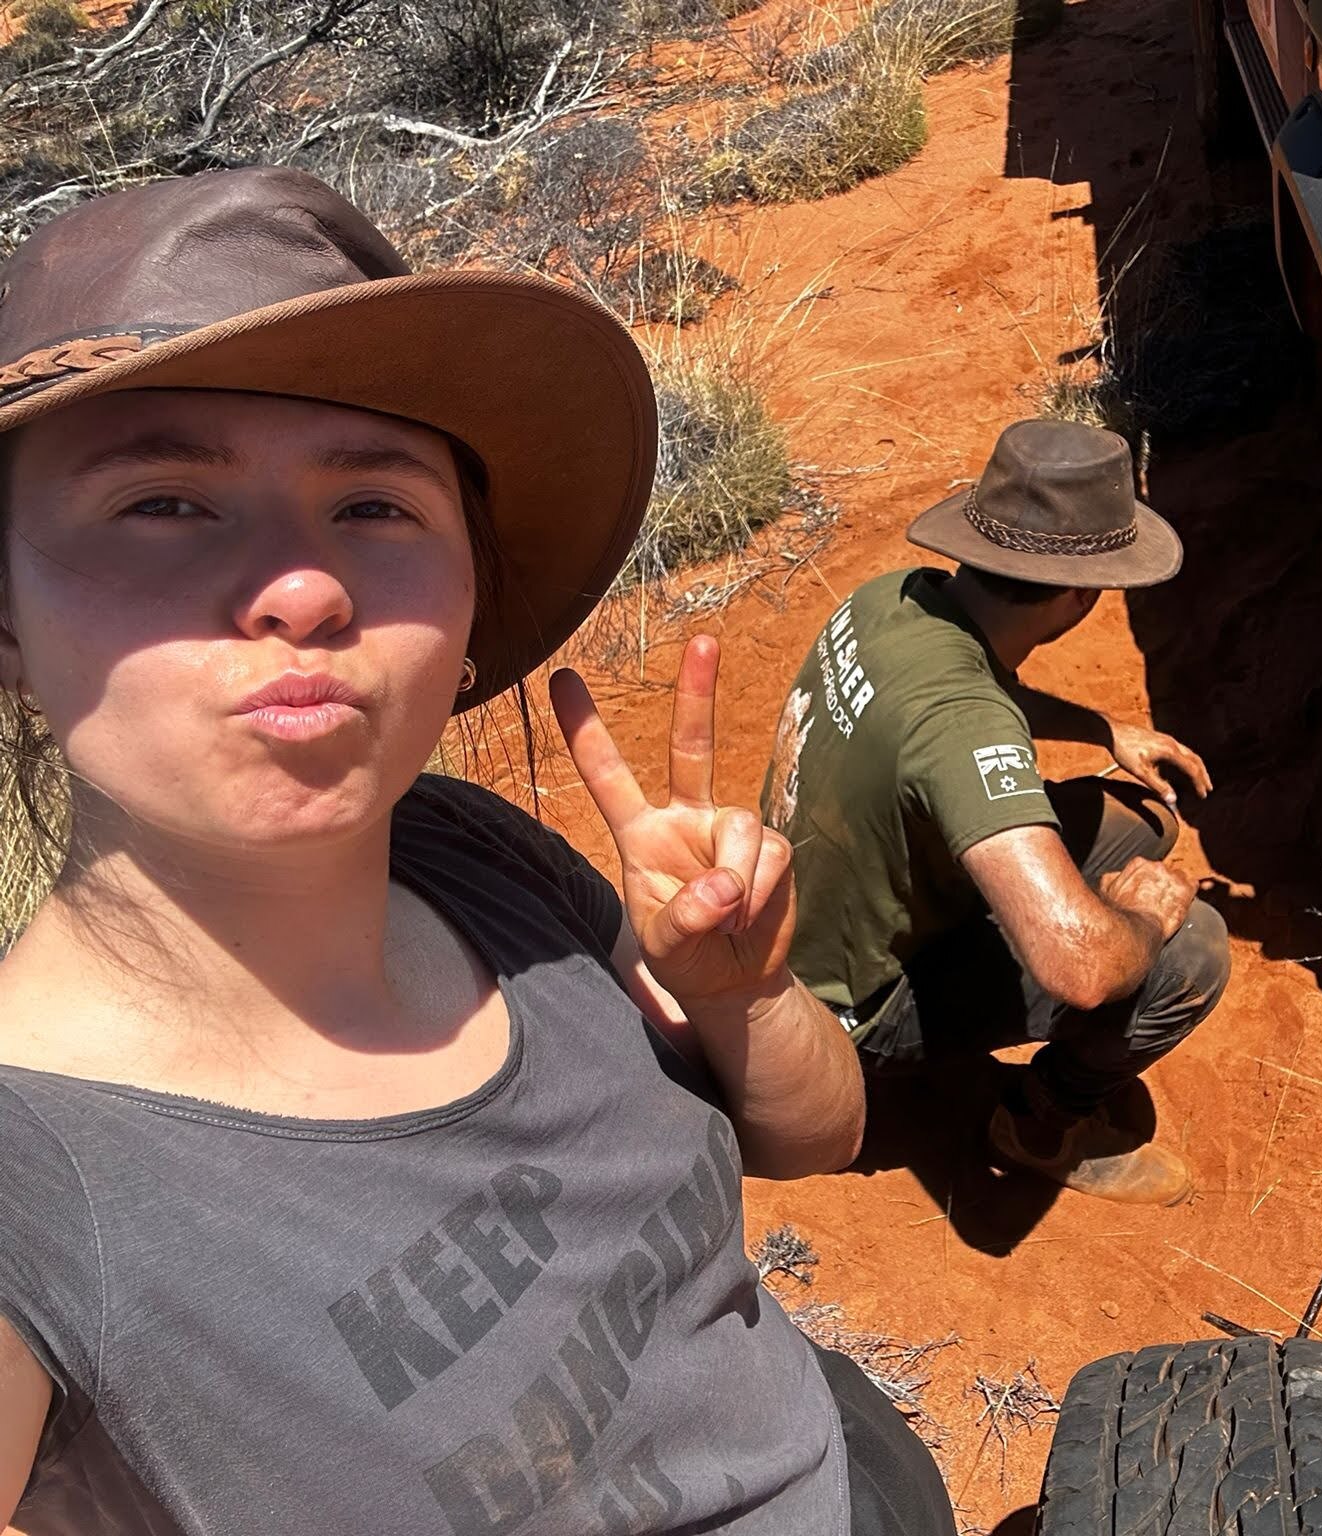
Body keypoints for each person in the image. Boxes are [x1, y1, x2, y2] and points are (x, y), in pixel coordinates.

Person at [0, 168, 955, 1536]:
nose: (306, 585)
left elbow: (820, 1137)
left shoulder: (470, 856)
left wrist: (740, 993)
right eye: (163, 501)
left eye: (377, 507)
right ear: (7, 620)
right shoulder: (32, 1181)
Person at [762, 418, 1230, 1207]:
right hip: (854, 1004)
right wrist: (1140, 920)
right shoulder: (964, 724)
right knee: (1193, 953)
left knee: (1143, 821)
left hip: (803, 913)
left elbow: (967, 689)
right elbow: (1077, 968)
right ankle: (1039, 1125)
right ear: (1084, 594)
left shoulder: (898, 600)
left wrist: (1102, 728)